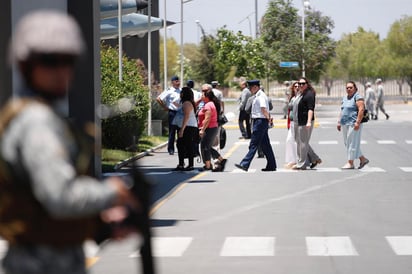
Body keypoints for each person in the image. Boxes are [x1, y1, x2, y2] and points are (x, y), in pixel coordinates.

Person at [0, 10, 138, 274]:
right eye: (50, 61)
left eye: (68, 61)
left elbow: (40, 198)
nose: (61, 71)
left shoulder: (43, 116)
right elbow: (60, 196)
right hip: (41, 263)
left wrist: (99, 222)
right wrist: (112, 191)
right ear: (26, 65)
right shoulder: (37, 122)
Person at [235, 80, 277, 172]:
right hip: (260, 121)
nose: (249, 90)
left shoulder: (260, 96)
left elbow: (263, 109)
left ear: (255, 87)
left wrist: (268, 119)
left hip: (260, 122)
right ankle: (272, 165)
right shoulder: (258, 95)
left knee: (253, 144)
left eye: (250, 88)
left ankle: (245, 164)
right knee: (265, 145)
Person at [337, 81, 370, 169]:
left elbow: (361, 110)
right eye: (347, 88)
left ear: (355, 88)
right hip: (345, 123)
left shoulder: (358, 97)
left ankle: (350, 163)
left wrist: (357, 122)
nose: (349, 89)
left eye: (351, 87)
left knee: (351, 143)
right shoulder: (345, 98)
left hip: (353, 123)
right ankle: (363, 159)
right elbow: (342, 110)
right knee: (347, 143)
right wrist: (339, 122)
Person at [292, 77, 322, 170]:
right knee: (299, 141)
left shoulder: (309, 94)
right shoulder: (300, 93)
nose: (301, 85)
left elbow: (310, 109)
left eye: (303, 83)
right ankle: (314, 158)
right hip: (298, 121)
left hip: (305, 121)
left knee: (303, 143)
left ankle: (302, 163)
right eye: (299, 83)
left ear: (307, 84)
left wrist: (309, 121)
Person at [198, 84, 227, 172]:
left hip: (209, 128)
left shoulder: (208, 105)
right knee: (206, 146)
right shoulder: (210, 103)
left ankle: (210, 165)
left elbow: (207, 119)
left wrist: (202, 129)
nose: (201, 95)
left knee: (206, 146)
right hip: (211, 128)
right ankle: (218, 161)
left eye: (203, 94)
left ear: (207, 97)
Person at [172, 87, 198, 171]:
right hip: (185, 126)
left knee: (187, 145)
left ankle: (190, 165)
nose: (180, 94)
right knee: (180, 145)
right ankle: (181, 164)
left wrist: (182, 130)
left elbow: (186, 117)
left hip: (188, 127)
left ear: (185, 94)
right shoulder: (185, 103)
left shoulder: (187, 103)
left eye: (182, 92)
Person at [156, 75, 181, 155]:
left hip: (180, 113)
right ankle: (171, 149)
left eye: (178, 81)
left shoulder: (181, 90)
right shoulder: (169, 90)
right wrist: (165, 107)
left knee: (180, 131)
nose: (178, 82)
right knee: (172, 132)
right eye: (176, 81)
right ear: (172, 82)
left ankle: (180, 148)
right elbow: (159, 98)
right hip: (172, 113)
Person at [284, 81, 299, 168]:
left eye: (298, 86)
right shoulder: (292, 98)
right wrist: (288, 123)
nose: (297, 87)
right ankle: (291, 160)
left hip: (298, 123)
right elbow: (290, 111)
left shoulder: (301, 97)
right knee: (289, 141)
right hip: (292, 122)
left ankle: (297, 161)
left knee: (297, 143)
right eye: (295, 86)